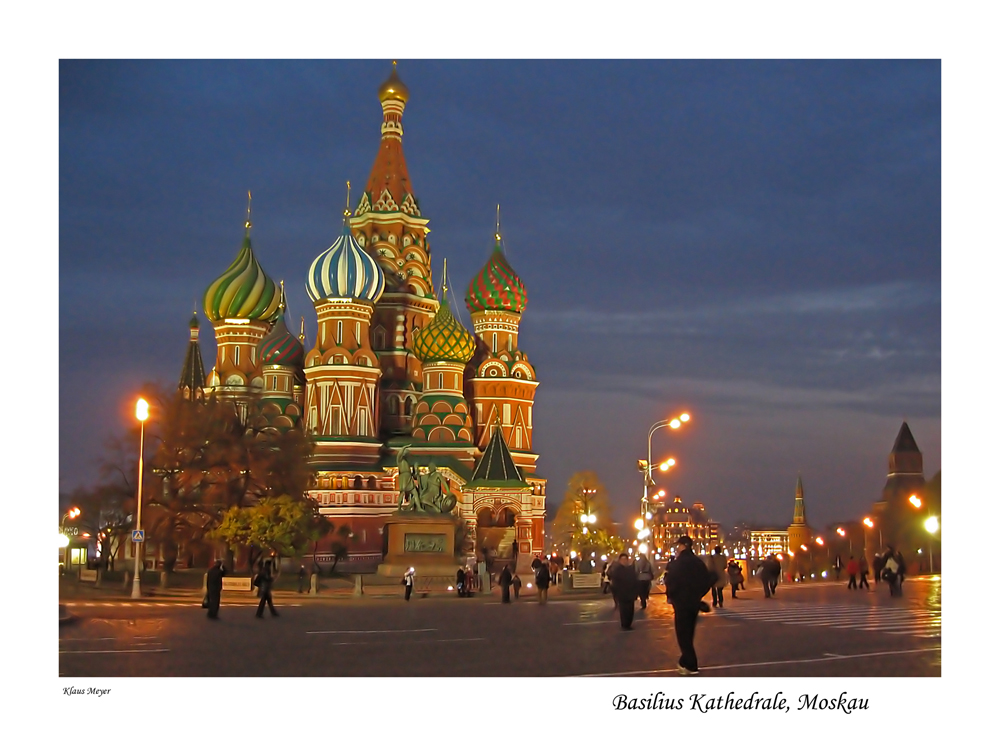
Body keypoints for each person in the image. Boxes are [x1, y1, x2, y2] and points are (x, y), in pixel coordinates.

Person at [664, 536, 716, 675]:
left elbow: (671, 581)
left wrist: (671, 596)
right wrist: (698, 594)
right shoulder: (698, 562)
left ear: (682, 546)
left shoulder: (677, 563)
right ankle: (686, 662)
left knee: (682, 635)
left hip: (681, 603)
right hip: (694, 602)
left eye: (678, 545)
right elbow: (707, 579)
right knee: (689, 633)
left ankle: (690, 664)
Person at [609, 553, 639, 629]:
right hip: (622, 593)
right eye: (622, 560)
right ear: (619, 560)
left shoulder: (630, 569)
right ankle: (625, 624)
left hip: (630, 593)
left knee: (630, 610)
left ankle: (629, 624)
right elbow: (615, 582)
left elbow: (635, 580)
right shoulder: (617, 570)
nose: (624, 561)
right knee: (624, 610)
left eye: (625, 559)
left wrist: (635, 591)